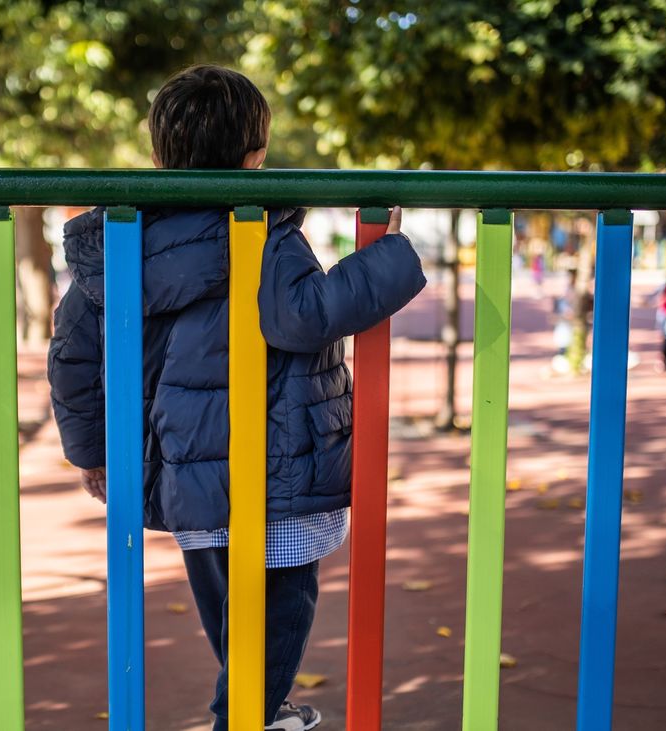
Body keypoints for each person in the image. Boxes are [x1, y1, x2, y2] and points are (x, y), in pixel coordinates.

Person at [47, 65, 426, 731]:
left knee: (227, 606)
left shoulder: (122, 248)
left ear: (161, 157)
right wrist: (391, 257)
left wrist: (92, 452)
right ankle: (246, 718)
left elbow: (73, 354)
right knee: (284, 605)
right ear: (256, 161)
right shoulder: (262, 233)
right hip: (274, 468)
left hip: (185, 474)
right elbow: (303, 316)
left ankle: (255, 709)